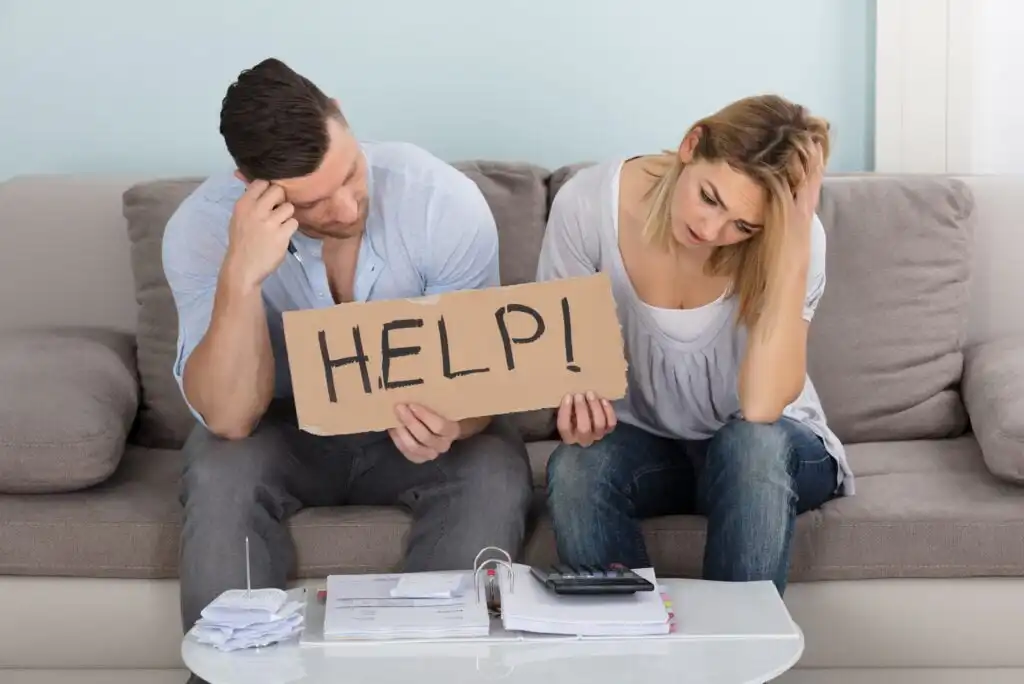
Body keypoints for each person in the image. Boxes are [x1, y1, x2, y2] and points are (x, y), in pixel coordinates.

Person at [164, 58, 533, 653]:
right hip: (282, 430)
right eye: (311, 202)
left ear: (342, 115)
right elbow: (231, 418)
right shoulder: (200, 230)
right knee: (219, 468)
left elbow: (480, 386)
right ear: (248, 182)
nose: (344, 208)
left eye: (350, 173)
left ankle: (428, 667)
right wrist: (241, 278)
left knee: (492, 467)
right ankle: (235, 668)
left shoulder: (441, 202)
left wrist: (454, 421)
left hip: (409, 428)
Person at [538, 94, 854, 595]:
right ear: (691, 144)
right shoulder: (587, 204)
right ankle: (634, 656)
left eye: (743, 226)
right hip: (652, 446)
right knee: (576, 467)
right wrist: (575, 398)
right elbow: (559, 360)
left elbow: (761, 408)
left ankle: (737, 662)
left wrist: (791, 248)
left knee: (748, 445)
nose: (711, 231)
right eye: (710, 197)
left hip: (774, 448)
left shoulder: (796, 236)